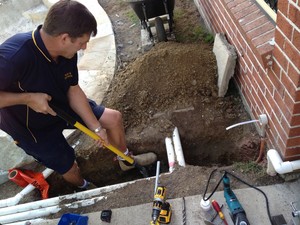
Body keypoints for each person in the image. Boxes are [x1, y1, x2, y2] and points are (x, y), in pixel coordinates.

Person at [0, 0, 156, 190]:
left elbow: (73, 89)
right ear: (64, 38)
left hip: (61, 104)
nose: (83, 48)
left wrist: (96, 128)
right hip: (31, 128)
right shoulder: (13, 56)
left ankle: (126, 160)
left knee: (113, 119)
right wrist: (27, 99)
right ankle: (84, 187)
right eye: (82, 43)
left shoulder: (66, 52)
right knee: (70, 166)